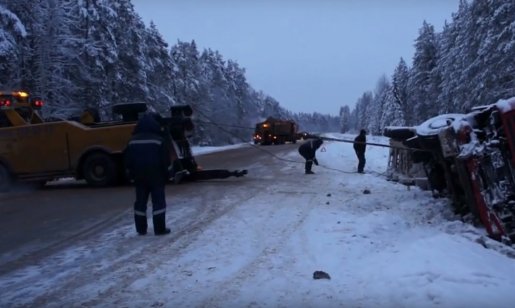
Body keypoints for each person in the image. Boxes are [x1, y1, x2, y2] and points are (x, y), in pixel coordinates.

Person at [124, 113, 172, 236]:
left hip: (139, 177)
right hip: (156, 176)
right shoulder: (159, 140)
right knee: (158, 202)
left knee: (140, 203)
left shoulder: (132, 141)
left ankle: (141, 229)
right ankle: (159, 229)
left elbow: (127, 161)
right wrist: (168, 174)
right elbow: (166, 160)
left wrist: (130, 174)